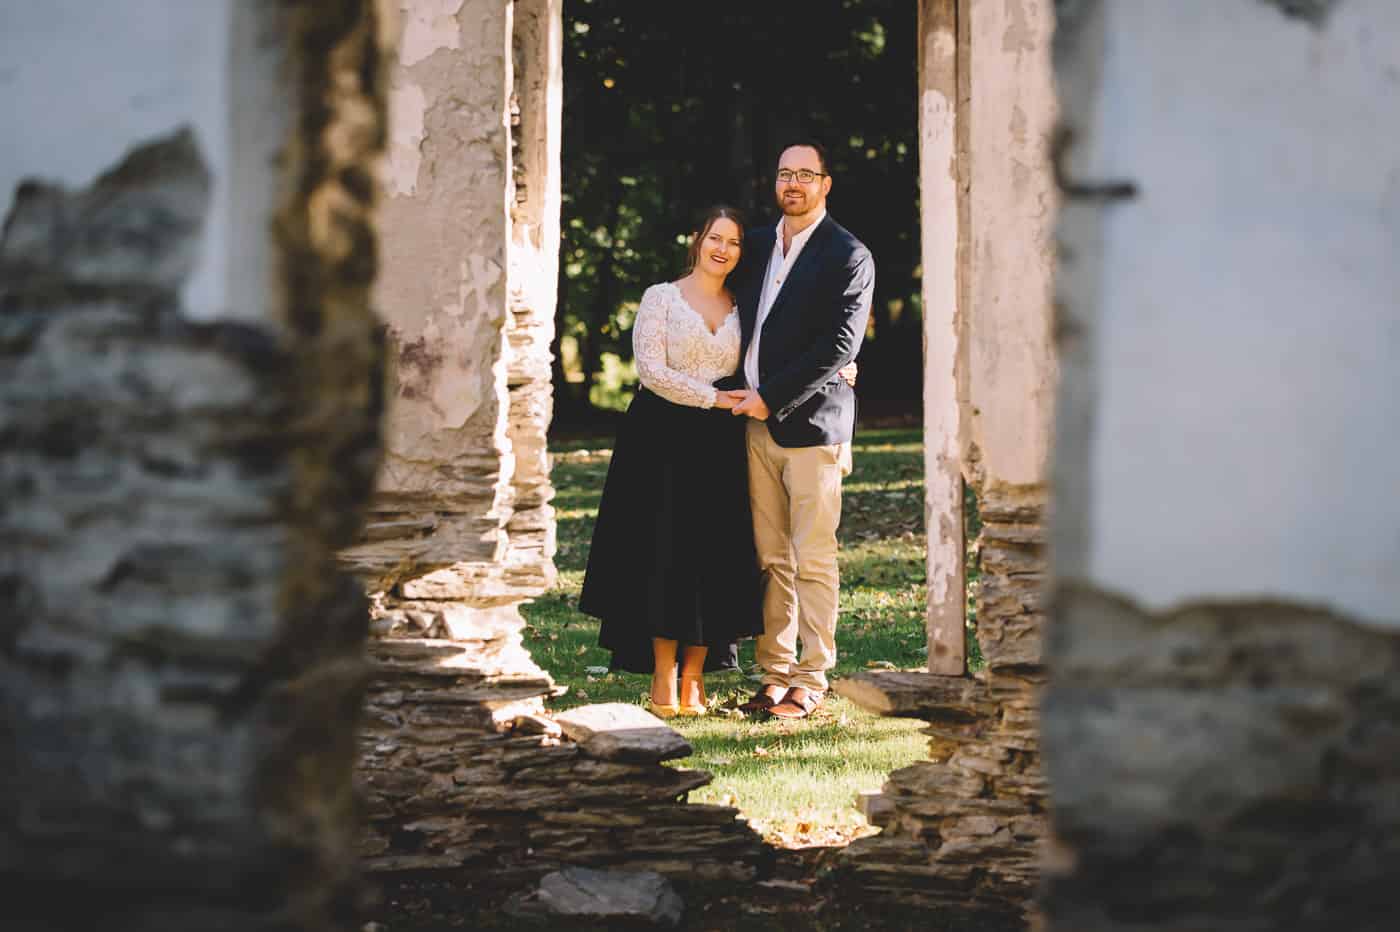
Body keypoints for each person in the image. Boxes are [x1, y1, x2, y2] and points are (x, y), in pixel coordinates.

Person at [578, 206, 764, 718]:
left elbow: (769, 360)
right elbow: (651, 370)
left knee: (713, 556)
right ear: (697, 239)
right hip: (659, 440)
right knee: (664, 554)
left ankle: (696, 676)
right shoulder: (661, 297)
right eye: (715, 237)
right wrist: (712, 399)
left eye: (734, 242)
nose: (723, 248)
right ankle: (662, 672)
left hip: (721, 445)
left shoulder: (745, 306)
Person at [725, 141, 876, 721]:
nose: (793, 183)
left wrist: (771, 397)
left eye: (805, 175)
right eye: (785, 173)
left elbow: (842, 344)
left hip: (813, 427)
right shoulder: (758, 244)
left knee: (813, 557)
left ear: (825, 183)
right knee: (771, 559)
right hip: (754, 428)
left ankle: (811, 678)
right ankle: (774, 672)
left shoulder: (848, 254)